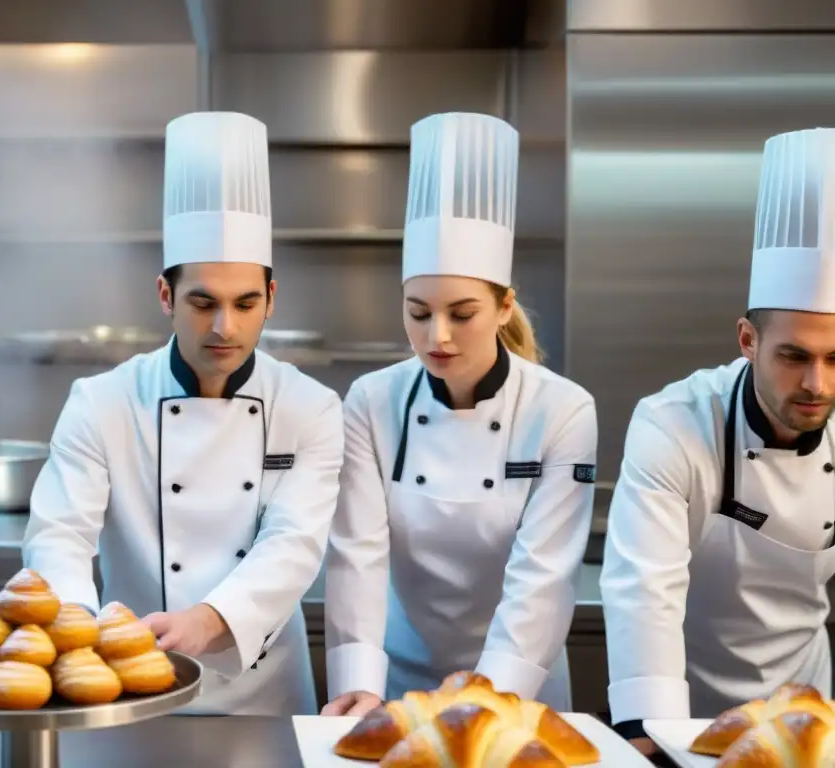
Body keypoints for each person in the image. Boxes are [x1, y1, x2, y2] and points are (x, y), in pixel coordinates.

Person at [22, 111, 344, 716]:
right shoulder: (103, 402)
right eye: (203, 303)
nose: (225, 327)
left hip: (266, 694)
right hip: (125, 683)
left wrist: (209, 620)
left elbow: (295, 543)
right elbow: (59, 537)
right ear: (166, 296)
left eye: (246, 303)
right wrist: (86, 637)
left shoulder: (311, 407)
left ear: (271, 300)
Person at [321, 112, 598, 717]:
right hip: (396, 681)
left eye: (462, 313)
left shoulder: (562, 408)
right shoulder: (372, 399)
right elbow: (359, 551)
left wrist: (490, 696)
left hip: (519, 689)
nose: (436, 336)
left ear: (504, 308)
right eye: (417, 312)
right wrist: (356, 677)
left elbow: (543, 573)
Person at [601, 127, 835, 757]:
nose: (817, 383)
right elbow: (643, 586)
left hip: (807, 711)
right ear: (747, 340)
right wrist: (655, 731)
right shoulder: (672, 424)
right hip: (687, 709)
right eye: (794, 356)